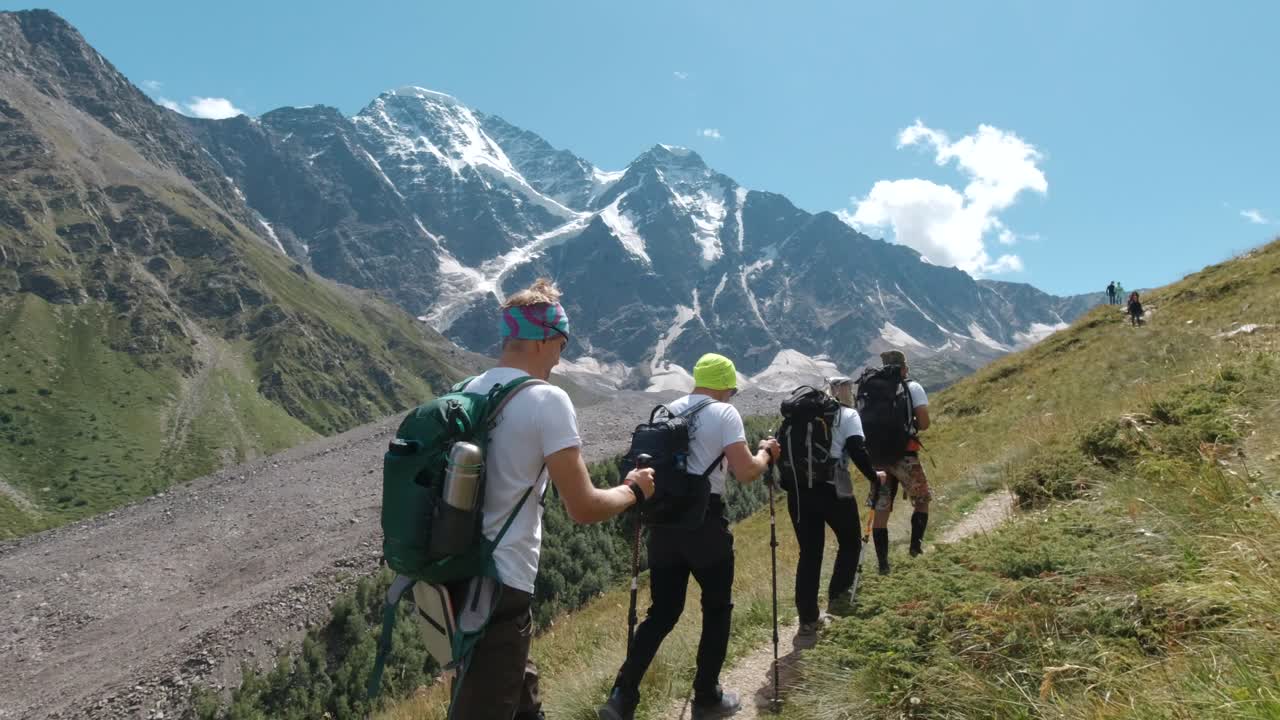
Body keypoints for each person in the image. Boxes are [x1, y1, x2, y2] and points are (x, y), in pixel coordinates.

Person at [453, 278, 656, 720]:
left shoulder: (465, 389)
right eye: (561, 345)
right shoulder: (546, 399)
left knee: (519, 694)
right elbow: (582, 506)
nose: (560, 358)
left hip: (454, 574)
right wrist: (632, 489)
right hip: (502, 581)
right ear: (546, 340)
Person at [599, 353, 781, 720]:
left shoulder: (667, 410)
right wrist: (766, 454)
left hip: (663, 524)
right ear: (726, 386)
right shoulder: (723, 412)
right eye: (731, 390)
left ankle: (622, 695)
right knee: (716, 608)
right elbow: (745, 472)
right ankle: (707, 696)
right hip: (705, 524)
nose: (731, 396)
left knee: (662, 613)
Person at [789, 377, 886, 646]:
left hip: (799, 492)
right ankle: (837, 602)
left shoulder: (799, 417)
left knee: (809, 554)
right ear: (843, 392)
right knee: (850, 543)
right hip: (833, 490)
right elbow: (857, 449)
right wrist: (874, 476)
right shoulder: (848, 414)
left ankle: (807, 621)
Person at [867, 350, 931, 575]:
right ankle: (915, 548)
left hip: (878, 459)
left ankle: (883, 564)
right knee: (922, 499)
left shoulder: (871, 389)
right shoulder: (911, 387)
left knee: (881, 509)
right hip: (905, 455)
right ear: (904, 367)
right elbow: (924, 423)